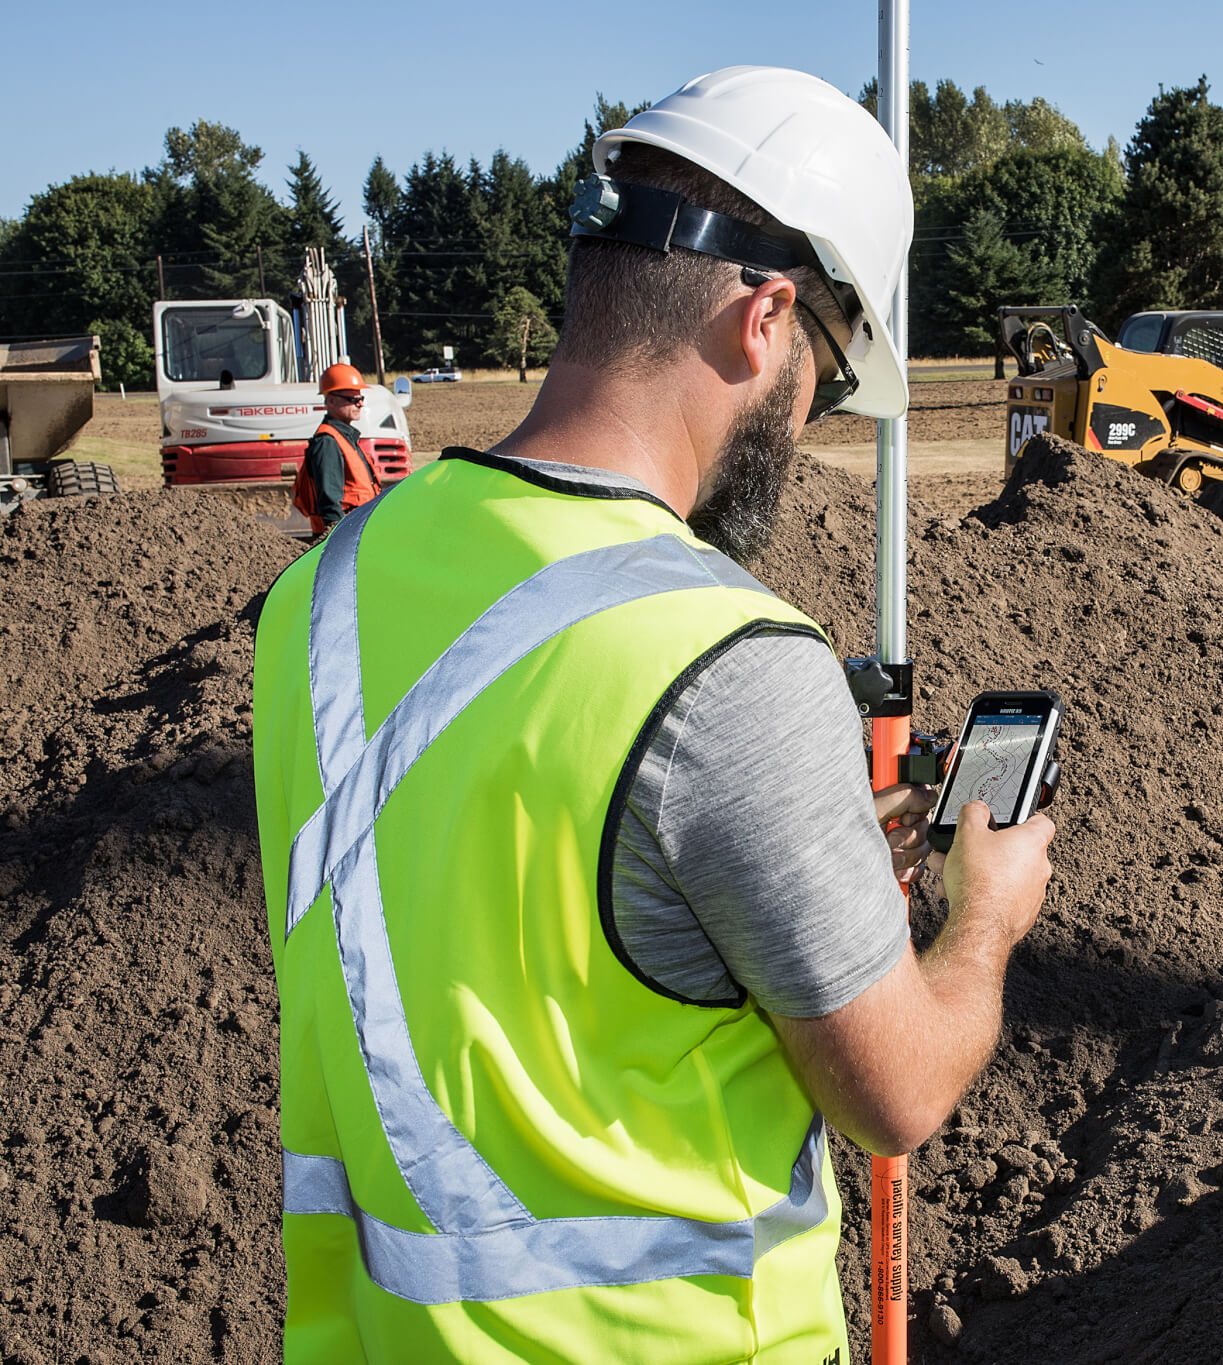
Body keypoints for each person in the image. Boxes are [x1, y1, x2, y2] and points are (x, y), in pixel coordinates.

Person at [252, 66, 1056, 1363]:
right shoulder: (726, 655)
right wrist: (986, 917)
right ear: (766, 320)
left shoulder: (321, 600)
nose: (809, 420)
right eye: (829, 378)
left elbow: (498, 920)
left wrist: (771, 862)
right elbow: (898, 1090)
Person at [290, 362, 381, 536]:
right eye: (352, 400)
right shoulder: (328, 442)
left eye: (361, 399)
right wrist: (338, 541)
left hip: (358, 533)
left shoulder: (345, 439)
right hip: (345, 536)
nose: (360, 404)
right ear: (331, 400)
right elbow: (330, 502)